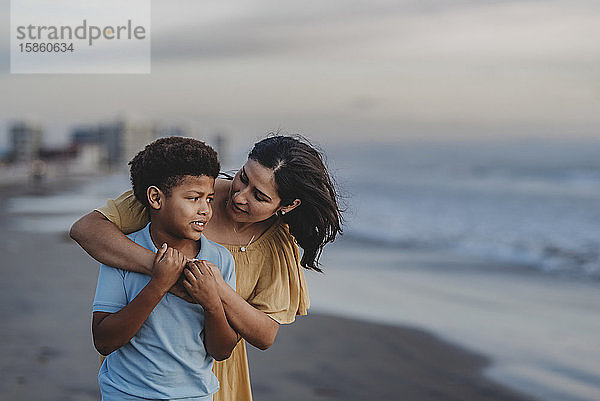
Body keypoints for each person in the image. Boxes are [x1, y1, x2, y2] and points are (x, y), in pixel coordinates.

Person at [71, 135, 344, 401]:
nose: (240, 196)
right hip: (141, 376)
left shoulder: (275, 245)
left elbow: (264, 335)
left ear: (288, 205)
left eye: (259, 196)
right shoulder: (185, 190)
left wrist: (215, 292)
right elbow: (87, 230)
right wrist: (165, 273)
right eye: (243, 178)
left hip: (210, 377)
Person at [91, 137, 238, 400]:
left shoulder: (220, 260)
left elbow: (222, 351)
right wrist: (158, 285)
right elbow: (104, 340)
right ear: (156, 198)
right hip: (126, 393)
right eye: (194, 198)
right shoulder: (122, 254)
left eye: (210, 199)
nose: (205, 210)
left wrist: (212, 303)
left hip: (194, 395)